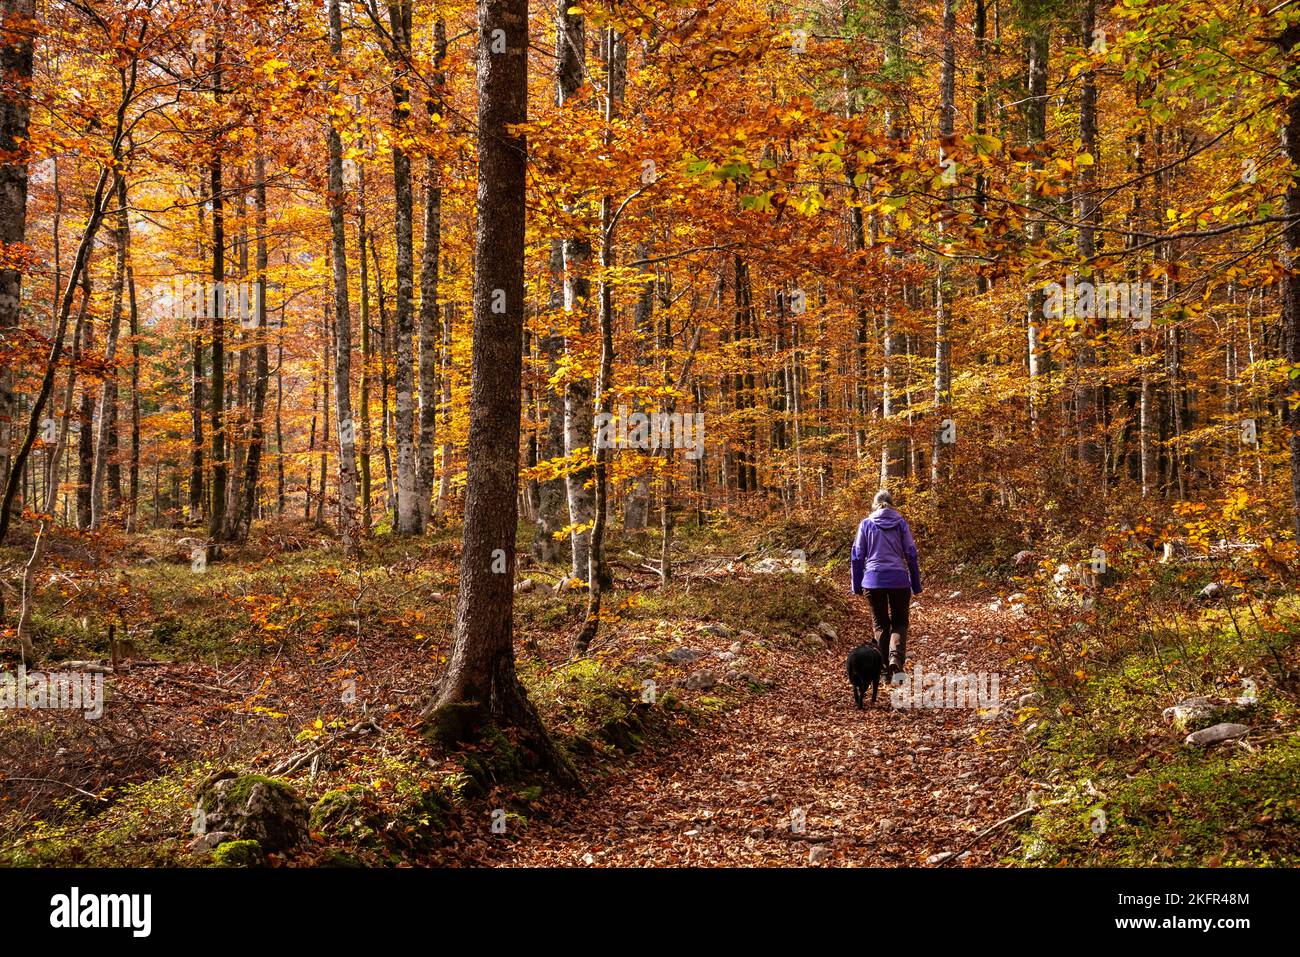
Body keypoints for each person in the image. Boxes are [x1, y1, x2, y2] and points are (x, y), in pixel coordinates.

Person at [850, 489, 922, 681]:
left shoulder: (866, 524)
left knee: (880, 624)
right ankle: (896, 661)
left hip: (873, 581)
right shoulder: (901, 524)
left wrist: (856, 585)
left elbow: (857, 556)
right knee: (900, 622)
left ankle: (883, 671)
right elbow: (911, 553)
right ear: (892, 504)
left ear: (874, 505)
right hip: (899, 580)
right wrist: (915, 583)